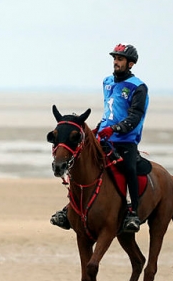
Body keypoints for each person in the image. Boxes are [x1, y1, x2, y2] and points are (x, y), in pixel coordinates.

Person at [51, 43, 148, 233]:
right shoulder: (107, 82)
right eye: (115, 58)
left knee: (129, 168)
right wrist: (99, 128)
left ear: (130, 64)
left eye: (120, 59)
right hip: (104, 137)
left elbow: (135, 116)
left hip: (126, 140)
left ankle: (133, 212)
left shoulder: (138, 87)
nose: (116, 62)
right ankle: (69, 209)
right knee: (80, 164)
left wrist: (116, 128)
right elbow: (110, 111)